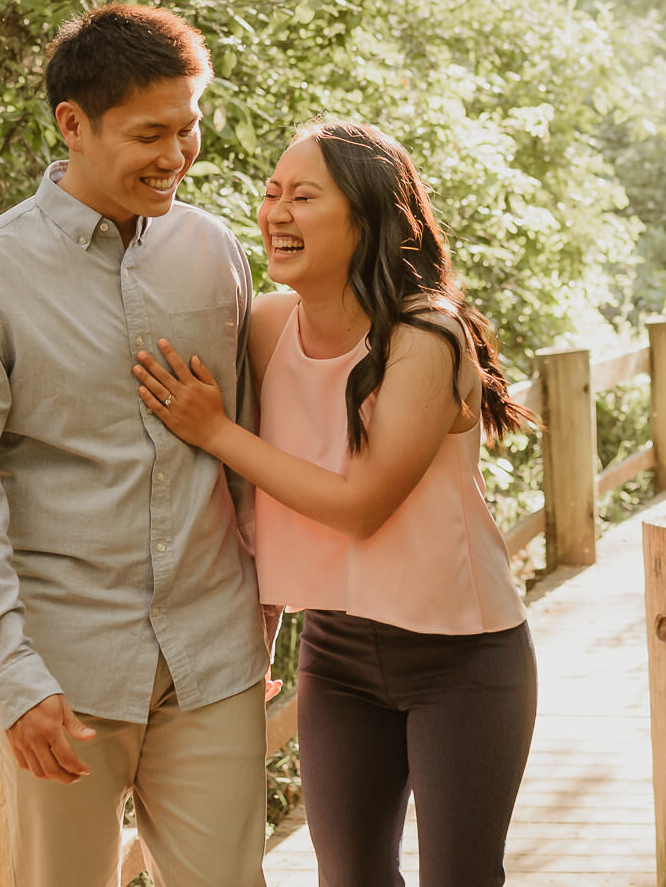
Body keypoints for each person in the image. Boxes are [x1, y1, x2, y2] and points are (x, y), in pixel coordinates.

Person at [0, 4, 270, 887]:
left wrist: (268, 616)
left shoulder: (215, 252)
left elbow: (250, 452)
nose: (177, 155)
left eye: (188, 128)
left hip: (214, 653)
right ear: (72, 124)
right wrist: (11, 675)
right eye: (150, 133)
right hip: (64, 671)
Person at [135, 120, 537, 887]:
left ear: (367, 215)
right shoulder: (265, 328)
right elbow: (255, 506)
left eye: (304, 196)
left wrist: (215, 428)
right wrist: (251, 639)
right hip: (338, 656)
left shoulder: (426, 334)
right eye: (271, 193)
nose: (276, 213)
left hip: (463, 657)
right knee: (349, 875)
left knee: (459, 876)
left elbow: (360, 507)